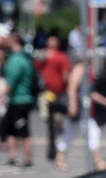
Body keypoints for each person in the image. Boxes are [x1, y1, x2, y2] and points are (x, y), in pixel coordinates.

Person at [56, 57, 106, 171]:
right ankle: (98, 162)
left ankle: (60, 159)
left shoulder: (86, 72)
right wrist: (73, 105)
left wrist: (105, 101)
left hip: (83, 110)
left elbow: (90, 93)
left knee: (71, 134)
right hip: (79, 109)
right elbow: (71, 88)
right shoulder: (79, 69)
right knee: (91, 132)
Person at [1, 35, 35, 167]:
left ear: (14, 41)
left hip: (20, 99)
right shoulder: (24, 57)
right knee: (10, 129)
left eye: (8, 39)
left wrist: (1, 96)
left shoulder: (16, 60)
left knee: (23, 130)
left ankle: (28, 158)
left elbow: (11, 81)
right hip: (17, 99)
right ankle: (13, 156)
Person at [36, 33, 70, 163]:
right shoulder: (45, 56)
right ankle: (51, 148)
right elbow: (37, 65)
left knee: (59, 122)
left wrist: (67, 88)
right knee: (48, 121)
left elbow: (65, 73)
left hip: (59, 93)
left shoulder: (61, 57)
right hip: (47, 92)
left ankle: (57, 146)